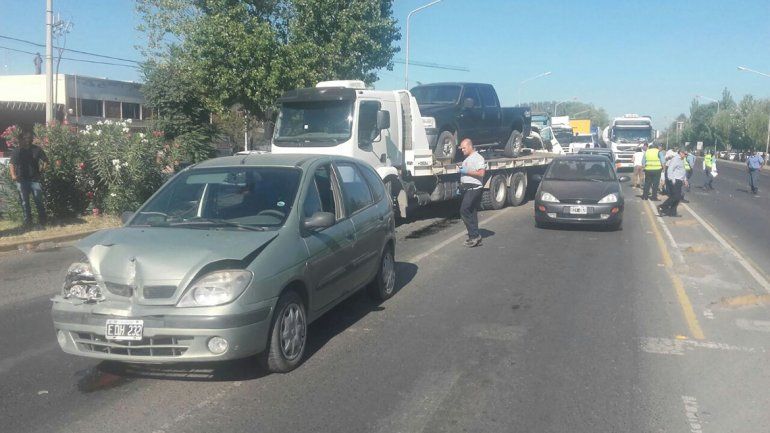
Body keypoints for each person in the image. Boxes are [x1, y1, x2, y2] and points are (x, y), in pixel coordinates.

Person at [9, 129, 48, 227]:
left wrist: (42, 171)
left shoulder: (37, 149)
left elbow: (46, 161)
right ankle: (28, 221)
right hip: (21, 180)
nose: (29, 140)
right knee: (24, 202)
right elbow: (12, 164)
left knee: (38, 200)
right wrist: (13, 175)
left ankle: (43, 220)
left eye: (30, 138)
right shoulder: (17, 151)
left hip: (35, 180)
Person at [458, 138, 486, 247]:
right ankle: (474, 237)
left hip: (475, 189)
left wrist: (466, 171)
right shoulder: (467, 159)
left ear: (470, 146)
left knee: (464, 210)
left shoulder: (478, 158)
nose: (462, 150)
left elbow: (481, 173)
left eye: (464, 148)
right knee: (472, 212)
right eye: (461, 148)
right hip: (468, 189)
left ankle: (474, 235)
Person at [658, 148, 688, 217]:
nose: (686, 155)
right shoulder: (676, 159)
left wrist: (685, 179)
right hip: (675, 180)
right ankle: (662, 206)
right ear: (680, 153)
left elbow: (682, 170)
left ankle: (673, 212)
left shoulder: (681, 159)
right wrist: (672, 180)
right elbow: (670, 170)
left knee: (677, 198)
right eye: (685, 154)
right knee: (676, 196)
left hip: (680, 180)